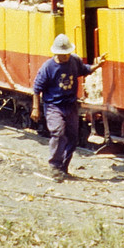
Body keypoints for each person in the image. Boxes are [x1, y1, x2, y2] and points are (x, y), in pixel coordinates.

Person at [30, 34, 106, 177]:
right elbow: (36, 88)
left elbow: (84, 69)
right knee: (58, 133)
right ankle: (54, 166)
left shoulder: (74, 60)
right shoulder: (48, 67)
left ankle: (63, 168)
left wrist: (98, 65)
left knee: (72, 137)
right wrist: (36, 108)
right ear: (56, 53)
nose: (65, 57)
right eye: (62, 54)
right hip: (54, 105)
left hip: (70, 105)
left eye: (67, 54)